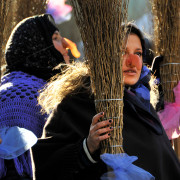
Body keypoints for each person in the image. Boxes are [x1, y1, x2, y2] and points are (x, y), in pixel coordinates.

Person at [31, 24, 180, 180]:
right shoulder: (76, 104)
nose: (133, 61)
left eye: (138, 53)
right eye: (122, 52)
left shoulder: (143, 105)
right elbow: (45, 165)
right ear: (103, 55)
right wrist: (87, 148)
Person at [0, 13, 79, 180]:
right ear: (36, 45)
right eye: (56, 38)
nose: (65, 46)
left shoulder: (53, 90)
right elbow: (14, 169)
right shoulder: (18, 97)